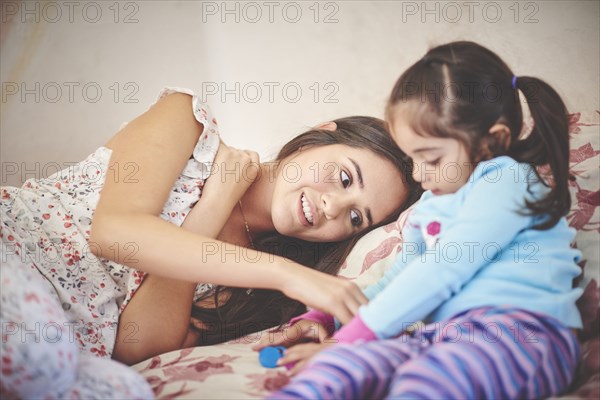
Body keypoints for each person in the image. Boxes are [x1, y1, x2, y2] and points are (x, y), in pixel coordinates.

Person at [0, 87, 420, 398]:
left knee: (121, 389)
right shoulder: (189, 125)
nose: (333, 207)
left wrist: (213, 207)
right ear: (318, 136)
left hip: (57, 350)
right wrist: (287, 275)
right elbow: (114, 233)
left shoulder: (253, 290)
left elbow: (137, 347)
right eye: (345, 178)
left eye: (354, 218)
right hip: (14, 256)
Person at [265, 41, 583, 399]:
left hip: (523, 336)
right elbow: (402, 277)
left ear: (491, 143)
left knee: (426, 382)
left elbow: (443, 271)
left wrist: (347, 339)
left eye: (429, 159)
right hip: (444, 337)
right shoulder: (432, 204)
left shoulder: (505, 180)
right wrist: (328, 319)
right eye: (411, 157)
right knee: (340, 368)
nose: (418, 174)